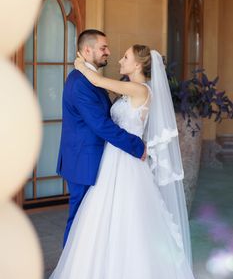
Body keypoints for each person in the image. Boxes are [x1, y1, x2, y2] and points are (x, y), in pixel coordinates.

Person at [51, 44, 195, 278]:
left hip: (127, 161)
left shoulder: (140, 90)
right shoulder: (129, 90)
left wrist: (78, 65)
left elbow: (98, 82)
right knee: (103, 214)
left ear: (138, 64)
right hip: (113, 157)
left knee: (127, 214)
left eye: (125, 57)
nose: (119, 60)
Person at [56, 30, 146, 247]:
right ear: (87, 50)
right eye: (103, 48)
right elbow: (100, 125)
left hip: (98, 160)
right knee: (79, 221)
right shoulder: (81, 82)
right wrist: (137, 146)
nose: (109, 52)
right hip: (83, 161)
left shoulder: (91, 78)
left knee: (93, 222)